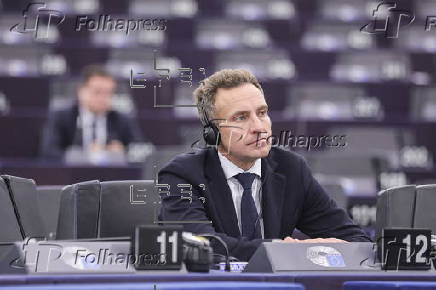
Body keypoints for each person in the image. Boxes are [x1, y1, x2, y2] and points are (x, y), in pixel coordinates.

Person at [158, 69, 371, 261]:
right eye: (241, 118)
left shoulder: (291, 169)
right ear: (212, 133)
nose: (259, 127)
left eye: (262, 113)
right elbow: (203, 246)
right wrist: (284, 250)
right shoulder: (182, 175)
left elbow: (357, 241)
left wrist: (323, 248)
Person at [40, 65, 143, 160]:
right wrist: (84, 156)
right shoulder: (61, 117)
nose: (103, 98)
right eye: (97, 92)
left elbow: (140, 151)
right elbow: (49, 153)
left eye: (108, 93)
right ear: (81, 91)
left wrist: (123, 152)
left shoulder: (121, 119)